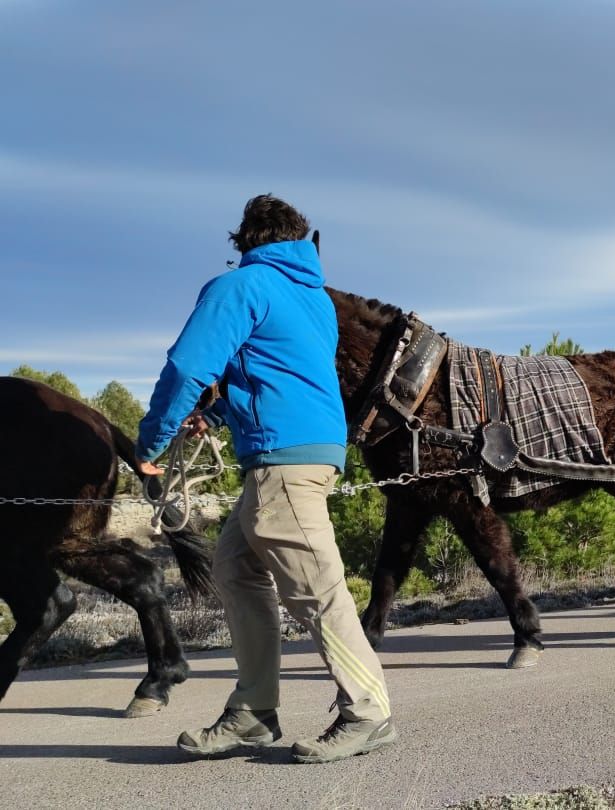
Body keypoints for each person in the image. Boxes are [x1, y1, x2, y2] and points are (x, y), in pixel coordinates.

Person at [136, 195, 395, 762]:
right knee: (235, 569)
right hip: (307, 449)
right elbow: (278, 377)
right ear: (300, 240)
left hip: (283, 459)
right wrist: (224, 412)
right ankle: (254, 711)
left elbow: (186, 366)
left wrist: (151, 442)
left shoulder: (240, 286)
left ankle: (369, 710)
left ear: (245, 241)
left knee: (316, 588)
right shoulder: (312, 297)